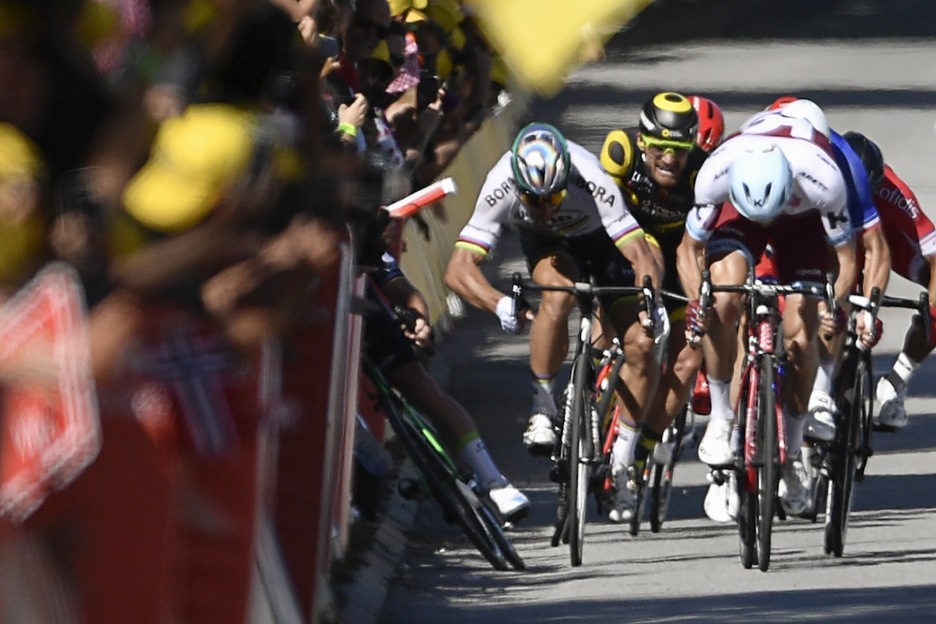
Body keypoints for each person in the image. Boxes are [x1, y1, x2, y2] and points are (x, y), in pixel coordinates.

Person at [444, 121, 662, 522]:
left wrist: (651, 301)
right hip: (549, 246)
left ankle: (624, 461)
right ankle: (543, 406)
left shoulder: (590, 176)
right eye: (532, 199)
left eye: (554, 197)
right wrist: (497, 304)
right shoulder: (500, 183)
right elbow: (458, 269)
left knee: (642, 346)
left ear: (566, 179)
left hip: (602, 240)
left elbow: (638, 252)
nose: (544, 208)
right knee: (558, 294)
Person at [676, 100, 857, 516]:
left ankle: (792, 452)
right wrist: (696, 301)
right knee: (723, 299)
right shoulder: (716, 173)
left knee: (800, 329)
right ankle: (722, 418)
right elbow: (689, 250)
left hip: (803, 222)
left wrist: (836, 302)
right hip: (738, 214)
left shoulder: (823, 179)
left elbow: (846, 261)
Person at [598, 91, 713, 522]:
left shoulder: (702, 173)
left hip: (677, 254)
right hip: (621, 244)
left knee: (690, 352)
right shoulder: (619, 151)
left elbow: (695, 249)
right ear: (643, 142)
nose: (669, 159)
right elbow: (597, 216)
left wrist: (701, 302)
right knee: (612, 318)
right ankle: (587, 377)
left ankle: (640, 450)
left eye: (679, 150)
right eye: (660, 147)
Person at [750, 97, 891, 446]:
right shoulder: (749, 148)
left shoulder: (841, 166)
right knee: (735, 296)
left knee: (828, 289)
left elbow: (872, 248)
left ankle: (821, 393)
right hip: (763, 209)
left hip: (816, 225)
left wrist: (862, 308)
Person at [837, 131, 936, 431]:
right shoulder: (820, 179)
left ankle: (896, 383)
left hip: (887, 239)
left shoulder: (895, 193)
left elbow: (933, 254)